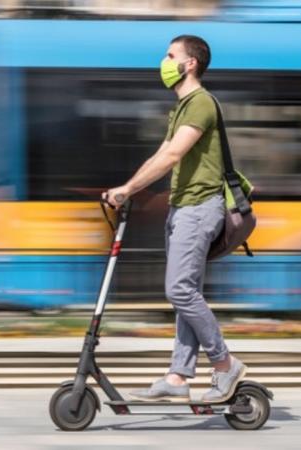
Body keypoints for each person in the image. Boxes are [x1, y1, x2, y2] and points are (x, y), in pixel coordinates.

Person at [103, 35, 246, 403]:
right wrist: (127, 187)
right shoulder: (183, 108)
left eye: (170, 55)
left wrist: (129, 189)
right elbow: (162, 153)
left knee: (179, 290)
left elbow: (173, 156)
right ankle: (178, 376)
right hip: (183, 208)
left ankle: (225, 363)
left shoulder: (200, 103)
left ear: (190, 63)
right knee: (187, 292)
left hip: (199, 208)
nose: (164, 62)